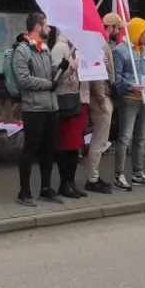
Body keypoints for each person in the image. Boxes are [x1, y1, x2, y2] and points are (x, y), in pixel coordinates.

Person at [12, 13, 60, 206]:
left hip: (50, 106)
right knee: (30, 149)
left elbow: (51, 76)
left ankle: (46, 188)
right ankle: (24, 191)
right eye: (47, 25)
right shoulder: (22, 50)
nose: (49, 29)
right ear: (38, 27)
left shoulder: (45, 49)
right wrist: (49, 83)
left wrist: (64, 69)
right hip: (33, 108)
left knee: (49, 149)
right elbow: (23, 79)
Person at [111, 18, 145, 192]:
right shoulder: (120, 51)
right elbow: (115, 77)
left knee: (141, 137)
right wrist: (130, 86)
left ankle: (137, 172)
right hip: (129, 99)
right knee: (125, 137)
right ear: (136, 31)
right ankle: (118, 174)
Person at [83, 14, 121, 194]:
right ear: (111, 27)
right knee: (99, 141)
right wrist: (101, 100)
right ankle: (92, 179)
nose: (119, 32)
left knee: (100, 141)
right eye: (118, 28)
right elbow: (97, 75)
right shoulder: (99, 44)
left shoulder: (101, 43)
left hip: (103, 95)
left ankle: (94, 176)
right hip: (102, 97)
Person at [51, 26, 89, 199]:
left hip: (76, 99)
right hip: (65, 100)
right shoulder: (60, 48)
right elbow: (56, 77)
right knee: (66, 143)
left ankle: (71, 181)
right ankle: (64, 183)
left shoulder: (73, 48)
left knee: (74, 144)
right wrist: (71, 69)